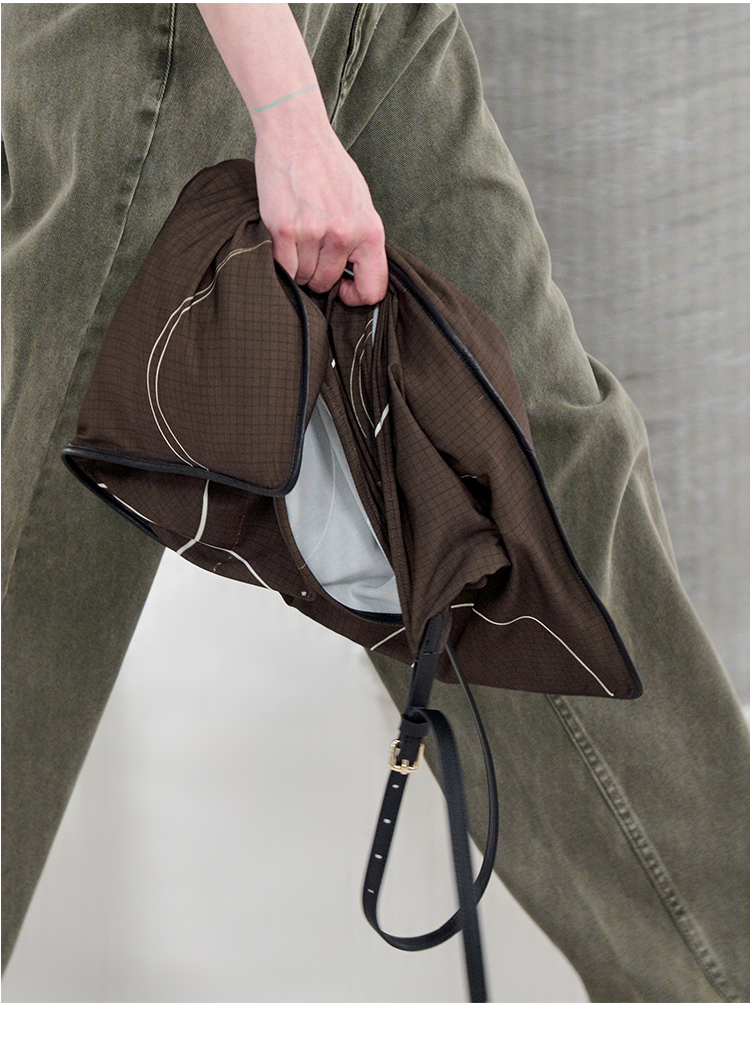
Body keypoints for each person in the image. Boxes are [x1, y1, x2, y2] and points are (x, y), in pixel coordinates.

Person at [2, 3, 748, 1002]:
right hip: (174, 36)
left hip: (376, 17)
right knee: (38, 565)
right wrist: (284, 105)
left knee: (533, 476)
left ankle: (720, 988)